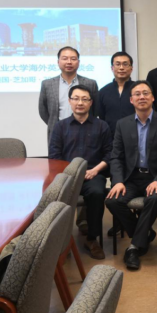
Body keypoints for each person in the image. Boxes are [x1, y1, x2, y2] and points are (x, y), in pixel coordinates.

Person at [105, 81, 157, 271]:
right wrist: (118, 181)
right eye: (137, 94)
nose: (142, 97)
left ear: (153, 97)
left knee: (155, 199)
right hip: (131, 178)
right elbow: (116, 157)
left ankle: (134, 247)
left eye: (146, 93)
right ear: (131, 100)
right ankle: (144, 234)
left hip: (155, 178)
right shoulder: (122, 124)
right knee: (112, 200)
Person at [48, 84, 112, 260]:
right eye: (76, 98)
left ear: (91, 103)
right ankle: (61, 242)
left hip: (93, 174)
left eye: (84, 99)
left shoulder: (102, 126)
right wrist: (71, 172)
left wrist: (95, 170)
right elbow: (54, 156)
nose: (80, 103)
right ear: (69, 101)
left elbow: (109, 153)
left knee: (97, 193)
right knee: (56, 195)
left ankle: (92, 239)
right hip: (67, 176)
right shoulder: (60, 127)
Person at [39, 46, 98, 143]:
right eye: (65, 58)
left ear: (78, 62)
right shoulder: (47, 84)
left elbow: (95, 109)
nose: (69, 62)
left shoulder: (90, 83)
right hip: (57, 133)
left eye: (73, 59)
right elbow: (43, 110)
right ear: (58, 62)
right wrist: (55, 125)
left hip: (85, 131)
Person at [96, 51, 136, 135]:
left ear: (131, 68)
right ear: (112, 68)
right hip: (110, 138)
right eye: (118, 64)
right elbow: (101, 117)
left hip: (135, 136)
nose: (121, 68)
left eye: (125, 64)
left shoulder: (138, 90)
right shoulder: (103, 91)